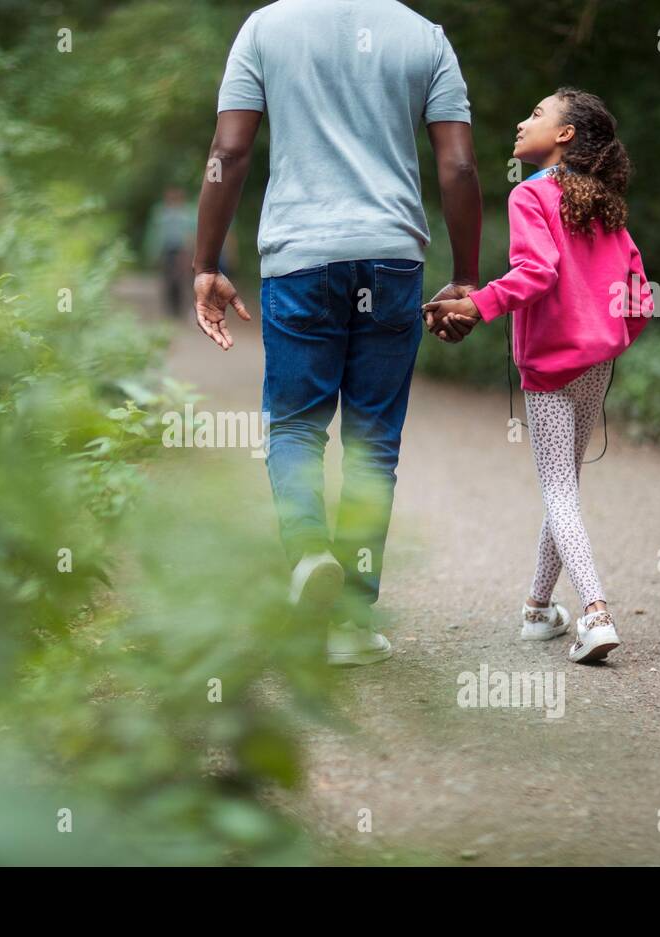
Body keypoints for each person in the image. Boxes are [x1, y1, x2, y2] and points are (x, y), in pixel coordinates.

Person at [191, 0, 482, 666]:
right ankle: (351, 622)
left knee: (295, 427)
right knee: (373, 440)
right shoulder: (425, 38)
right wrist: (466, 276)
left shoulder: (265, 29)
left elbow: (228, 153)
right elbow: (461, 168)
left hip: (301, 259)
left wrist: (208, 262)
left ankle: (309, 554)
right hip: (392, 258)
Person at [428, 88, 654, 663]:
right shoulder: (602, 203)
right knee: (566, 487)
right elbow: (640, 294)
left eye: (535, 114)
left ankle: (596, 612)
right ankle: (537, 610)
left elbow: (536, 273)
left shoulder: (531, 196)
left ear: (565, 135)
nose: (520, 121)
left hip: (551, 366)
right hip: (595, 363)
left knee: (558, 488)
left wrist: (478, 305)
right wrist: (610, 339)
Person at [143, 186, 199, 318]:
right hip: (167, 250)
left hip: (182, 250)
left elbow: (193, 233)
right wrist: (153, 252)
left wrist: (191, 252)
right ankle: (171, 309)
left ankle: (181, 308)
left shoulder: (189, 213)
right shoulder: (160, 213)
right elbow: (155, 234)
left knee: (182, 280)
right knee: (167, 279)